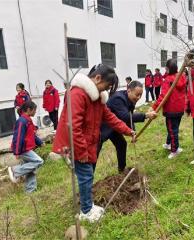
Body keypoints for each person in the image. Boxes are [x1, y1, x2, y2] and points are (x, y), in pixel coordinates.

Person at [52, 64, 135, 223]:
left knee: (87, 175)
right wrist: (81, 153)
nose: (106, 90)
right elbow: (73, 127)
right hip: (75, 144)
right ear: (97, 78)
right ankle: (86, 211)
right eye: (107, 85)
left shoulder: (96, 98)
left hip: (88, 142)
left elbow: (110, 118)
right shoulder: (77, 94)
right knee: (85, 176)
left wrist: (128, 130)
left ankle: (87, 205)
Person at [98, 81, 157, 172]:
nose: (138, 97)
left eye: (140, 95)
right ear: (129, 91)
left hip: (115, 127)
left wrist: (132, 132)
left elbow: (130, 117)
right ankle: (88, 180)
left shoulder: (130, 100)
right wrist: (146, 115)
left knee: (121, 144)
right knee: (95, 153)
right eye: (137, 94)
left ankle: (122, 169)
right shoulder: (118, 98)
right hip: (102, 128)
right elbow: (125, 116)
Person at [150, 59, 186, 159]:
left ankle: (175, 150)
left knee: (172, 129)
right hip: (179, 109)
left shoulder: (168, 80)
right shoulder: (181, 77)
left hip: (171, 109)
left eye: (166, 67)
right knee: (173, 128)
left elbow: (163, 96)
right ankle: (168, 143)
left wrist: (154, 107)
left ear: (168, 68)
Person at [8, 101, 44, 193]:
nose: (35, 112)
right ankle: (15, 171)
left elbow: (32, 134)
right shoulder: (21, 121)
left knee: (30, 170)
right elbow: (18, 136)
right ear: (29, 109)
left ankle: (30, 190)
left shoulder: (27, 120)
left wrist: (40, 142)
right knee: (39, 161)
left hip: (27, 148)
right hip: (23, 149)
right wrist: (17, 152)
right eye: (34, 110)